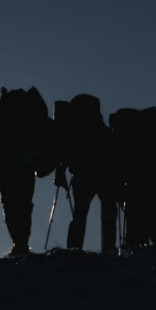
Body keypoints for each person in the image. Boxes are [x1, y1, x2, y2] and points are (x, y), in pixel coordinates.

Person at [0, 87, 56, 256]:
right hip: (26, 166)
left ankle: (18, 243)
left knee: (10, 206)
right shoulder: (30, 117)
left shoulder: (1, 116)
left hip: (5, 166)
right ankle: (22, 243)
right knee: (24, 205)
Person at [109, 107, 156, 248]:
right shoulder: (153, 139)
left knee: (136, 231)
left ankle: (135, 255)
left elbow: (118, 166)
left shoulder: (128, 141)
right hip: (154, 188)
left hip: (132, 190)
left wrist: (118, 190)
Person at [53, 94, 120, 252]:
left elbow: (67, 154)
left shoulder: (77, 133)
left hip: (83, 176)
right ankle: (109, 249)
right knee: (108, 212)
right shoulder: (104, 132)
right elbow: (115, 154)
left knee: (80, 214)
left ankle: (74, 249)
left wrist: (60, 171)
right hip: (105, 176)